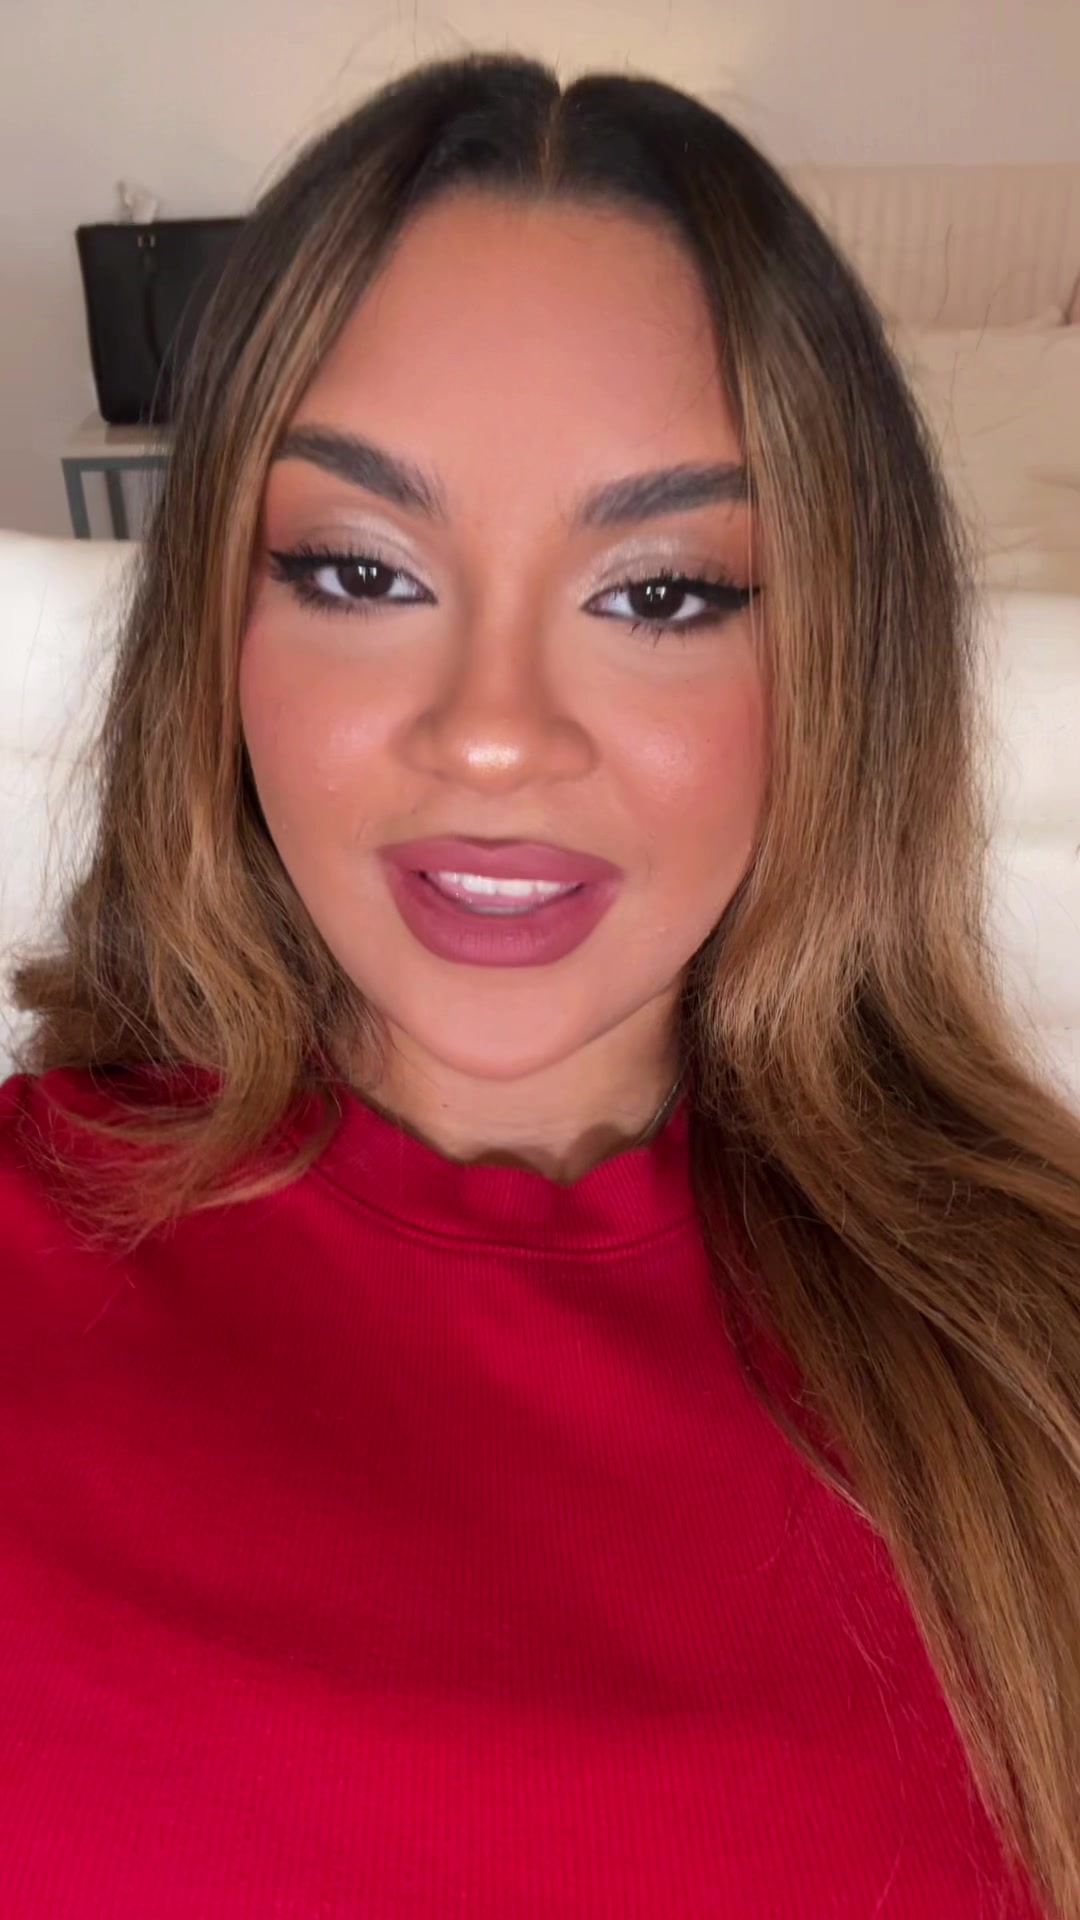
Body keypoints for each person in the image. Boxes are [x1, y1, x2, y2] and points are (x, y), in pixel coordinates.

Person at [2, 51, 1077, 1920]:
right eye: (359, 571)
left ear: (844, 658)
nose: (492, 735)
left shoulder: (1033, 1353)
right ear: (219, 630)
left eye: (660, 594)